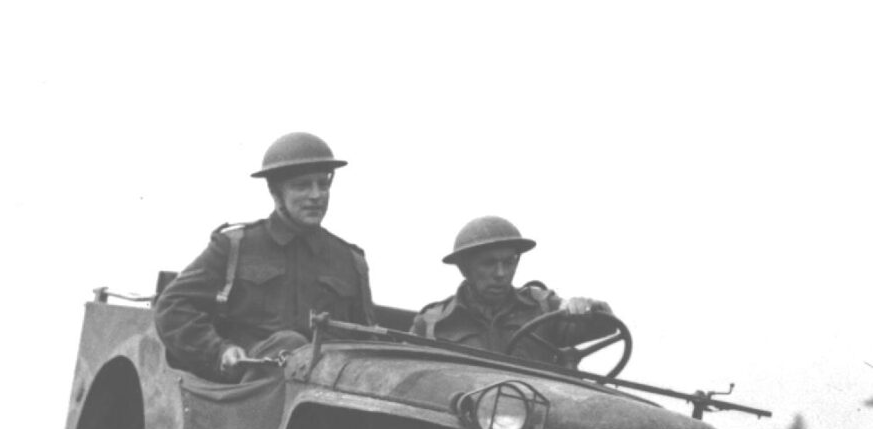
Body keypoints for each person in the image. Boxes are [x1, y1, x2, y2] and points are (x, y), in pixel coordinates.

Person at [155, 132, 374, 381]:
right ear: (275, 192)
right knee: (289, 342)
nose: (316, 195)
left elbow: (367, 342)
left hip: (321, 391)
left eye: (322, 184)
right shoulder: (236, 246)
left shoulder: (349, 260)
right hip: (250, 388)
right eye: (302, 185)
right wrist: (219, 350)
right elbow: (172, 306)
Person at [411, 216, 615, 365]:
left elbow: (606, 326)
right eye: (489, 263)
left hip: (536, 414)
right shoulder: (433, 323)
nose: (501, 273)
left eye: (509, 262)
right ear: (465, 268)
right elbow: (405, 373)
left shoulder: (543, 307)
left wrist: (588, 309)